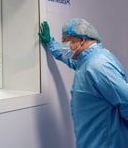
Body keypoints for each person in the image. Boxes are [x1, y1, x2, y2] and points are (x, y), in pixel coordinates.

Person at [39, 18, 128, 148]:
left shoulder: (98, 65)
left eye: (67, 41)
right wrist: (51, 44)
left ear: (82, 40)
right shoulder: (88, 61)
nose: (65, 46)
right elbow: (71, 61)